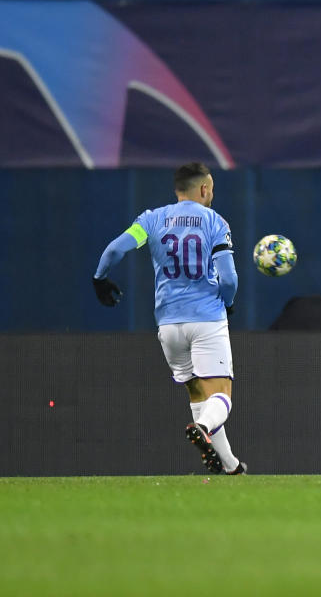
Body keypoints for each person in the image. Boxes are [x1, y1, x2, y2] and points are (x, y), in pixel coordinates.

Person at [92, 162, 246, 475]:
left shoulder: (151, 220)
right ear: (204, 189)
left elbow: (114, 249)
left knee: (197, 391)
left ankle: (228, 466)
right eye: (211, 189)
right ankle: (201, 427)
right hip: (206, 319)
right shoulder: (214, 222)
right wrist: (227, 302)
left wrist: (100, 278)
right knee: (220, 396)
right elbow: (229, 279)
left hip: (168, 325)